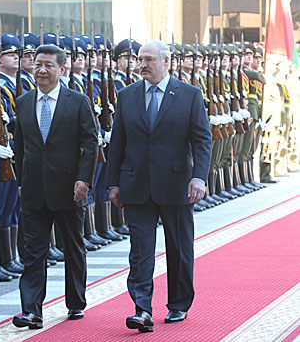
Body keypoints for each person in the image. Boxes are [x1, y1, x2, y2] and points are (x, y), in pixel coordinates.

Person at [107, 40, 211, 332]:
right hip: (136, 182)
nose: (143, 64)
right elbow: (118, 142)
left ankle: (178, 304)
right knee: (140, 249)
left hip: (176, 183)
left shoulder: (189, 95)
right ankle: (142, 308)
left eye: (150, 59)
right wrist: (113, 183)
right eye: (140, 59)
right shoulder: (127, 96)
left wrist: (199, 177)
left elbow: (202, 140)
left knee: (178, 247)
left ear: (166, 61)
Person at [12, 44, 98, 329]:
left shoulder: (77, 101)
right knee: (33, 251)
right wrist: (21, 182)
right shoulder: (24, 102)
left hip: (69, 187)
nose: (42, 70)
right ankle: (32, 310)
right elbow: (21, 147)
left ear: (62, 69)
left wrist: (84, 179)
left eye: (49, 65)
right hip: (35, 189)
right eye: (37, 64)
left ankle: (75, 302)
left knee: (73, 247)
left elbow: (90, 143)